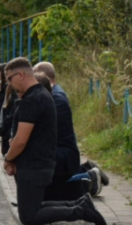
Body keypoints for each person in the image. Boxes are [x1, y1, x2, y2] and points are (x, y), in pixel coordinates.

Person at [3, 57, 106, 225]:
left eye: (10, 78)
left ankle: (80, 210)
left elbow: (21, 140)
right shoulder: (42, 94)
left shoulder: (32, 99)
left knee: (30, 216)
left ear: (21, 74)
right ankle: (79, 204)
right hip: (39, 163)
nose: (9, 82)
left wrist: (8, 159)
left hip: (34, 165)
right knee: (34, 209)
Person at [33, 62, 107, 200]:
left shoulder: (56, 98)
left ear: (44, 77)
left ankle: (88, 177)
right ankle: (85, 171)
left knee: (60, 193)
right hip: (60, 150)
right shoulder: (53, 93)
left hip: (63, 154)